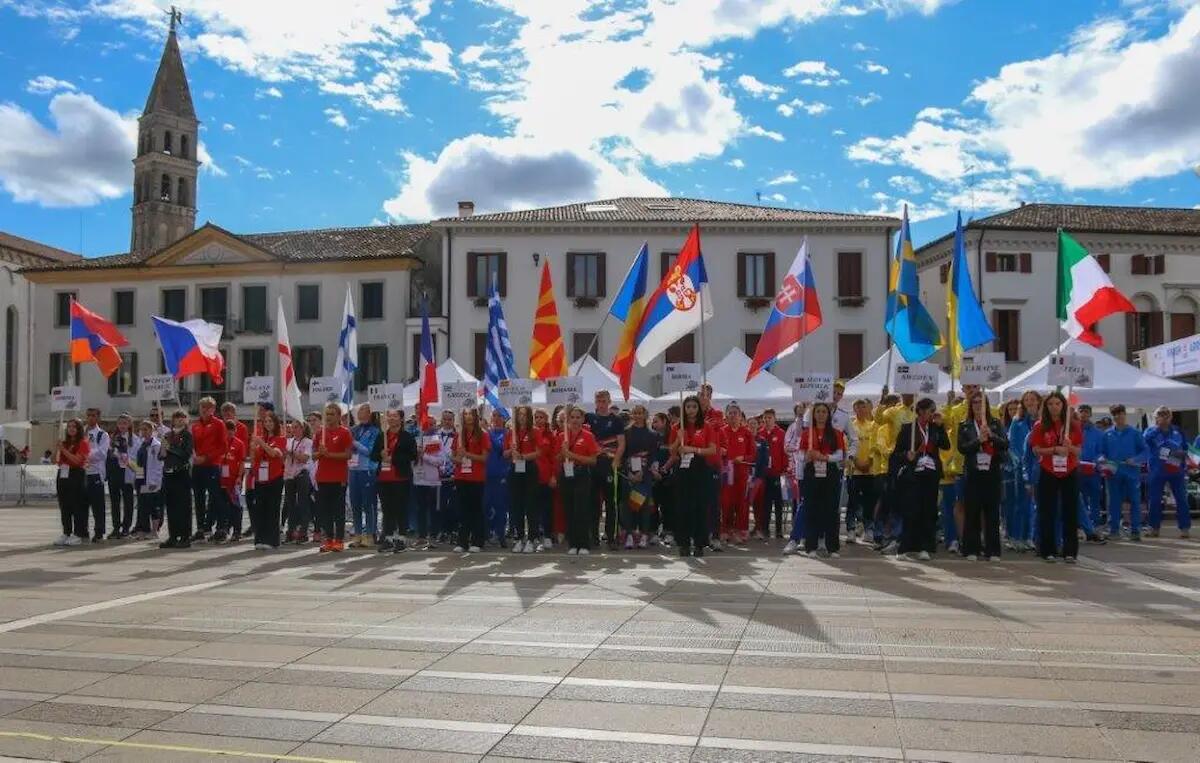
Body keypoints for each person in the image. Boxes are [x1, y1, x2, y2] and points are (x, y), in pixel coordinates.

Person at [891, 398, 948, 560]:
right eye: (931, 410)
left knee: (928, 511)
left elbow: (946, 445)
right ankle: (905, 547)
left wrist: (941, 426)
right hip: (913, 474)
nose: (933, 413)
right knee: (911, 511)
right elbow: (896, 454)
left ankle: (925, 547)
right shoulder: (908, 429)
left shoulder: (935, 428)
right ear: (922, 411)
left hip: (930, 474)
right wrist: (905, 455)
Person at [1030, 391, 1083, 562]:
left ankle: (1070, 551)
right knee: (1047, 511)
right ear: (1046, 406)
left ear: (1063, 405)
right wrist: (1054, 449)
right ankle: (1048, 550)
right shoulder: (1040, 425)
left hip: (1069, 470)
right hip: (1048, 470)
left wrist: (1070, 447)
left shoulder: (1073, 425)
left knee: (1070, 511)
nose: (1054, 407)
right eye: (1051, 404)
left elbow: (1079, 451)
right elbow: (1036, 450)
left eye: (1057, 404)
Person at [958, 392, 1008, 561]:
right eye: (975, 403)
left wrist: (991, 436)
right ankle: (971, 548)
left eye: (981, 402)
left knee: (992, 512)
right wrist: (978, 440)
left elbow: (1005, 444)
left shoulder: (994, 423)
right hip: (973, 472)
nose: (978, 405)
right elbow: (963, 448)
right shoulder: (965, 425)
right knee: (972, 511)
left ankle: (993, 550)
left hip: (992, 472)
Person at [672, 395, 718, 558]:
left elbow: (712, 450)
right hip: (683, 469)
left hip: (700, 468)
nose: (691, 410)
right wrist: (679, 440)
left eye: (694, 406)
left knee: (700, 506)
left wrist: (694, 449)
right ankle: (683, 543)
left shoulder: (706, 427)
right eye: (688, 407)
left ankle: (699, 543)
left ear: (698, 409)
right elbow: (672, 452)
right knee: (683, 507)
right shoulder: (678, 427)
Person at [801, 402, 847, 558]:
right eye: (818, 411)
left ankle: (832, 547)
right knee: (811, 509)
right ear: (813, 414)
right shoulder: (807, 433)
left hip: (830, 473)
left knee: (831, 510)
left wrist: (824, 457)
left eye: (824, 412)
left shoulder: (836, 433)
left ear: (829, 415)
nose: (821, 414)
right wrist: (806, 457)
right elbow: (801, 454)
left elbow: (840, 455)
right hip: (812, 472)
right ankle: (811, 547)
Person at [585, 390, 625, 550]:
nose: (601, 403)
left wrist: (616, 461)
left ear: (609, 401)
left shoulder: (616, 420)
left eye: (603, 400)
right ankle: (593, 536)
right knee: (593, 503)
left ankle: (611, 537)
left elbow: (621, 443)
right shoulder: (589, 417)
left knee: (611, 503)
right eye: (598, 400)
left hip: (609, 465)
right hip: (593, 464)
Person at [1144, 406, 1190, 539]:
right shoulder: (1150, 431)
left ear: (1171, 417)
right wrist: (1158, 427)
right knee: (1155, 499)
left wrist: (1182, 455)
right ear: (1155, 417)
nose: (1164, 417)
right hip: (1157, 470)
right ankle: (1154, 527)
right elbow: (1145, 440)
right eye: (1160, 415)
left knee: (1181, 498)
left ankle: (1184, 528)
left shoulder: (1177, 430)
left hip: (1176, 468)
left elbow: (1186, 447)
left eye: (1166, 415)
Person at [1101, 404, 1146, 540]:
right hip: (1113, 473)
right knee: (1114, 502)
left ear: (1125, 414)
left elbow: (1145, 451)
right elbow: (1101, 453)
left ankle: (1135, 531)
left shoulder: (1135, 433)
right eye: (1115, 414)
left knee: (1135, 501)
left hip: (1131, 473)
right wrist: (1103, 461)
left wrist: (1135, 459)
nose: (1118, 416)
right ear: (1112, 416)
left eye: (1120, 413)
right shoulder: (1107, 434)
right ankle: (1114, 530)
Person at [375, 408, 417, 552]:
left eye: (395, 416)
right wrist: (381, 454)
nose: (391, 418)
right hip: (384, 478)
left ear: (401, 419)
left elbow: (412, 456)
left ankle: (402, 537)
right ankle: (388, 538)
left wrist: (393, 458)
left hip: (400, 477)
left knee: (400, 508)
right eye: (389, 416)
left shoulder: (407, 436)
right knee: (387, 509)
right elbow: (373, 455)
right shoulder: (382, 436)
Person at [560, 405, 600, 555]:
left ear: (583, 419)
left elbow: (593, 460)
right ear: (568, 419)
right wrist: (562, 452)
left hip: (582, 474)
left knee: (581, 509)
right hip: (566, 474)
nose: (575, 420)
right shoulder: (562, 436)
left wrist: (572, 455)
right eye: (572, 417)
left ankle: (584, 544)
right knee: (569, 509)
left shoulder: (588, 436)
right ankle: (573, 543)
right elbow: (558, 457)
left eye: (578, 417)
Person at [314, 402, 353, 553]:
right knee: (325, 511)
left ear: (338, 416)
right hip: (322, 477)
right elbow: (313, 455)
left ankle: (339, 540)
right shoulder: (319, 433)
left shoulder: (344, 432)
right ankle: (328, 539)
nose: (328, 417)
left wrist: (329, 454)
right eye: (327, 414)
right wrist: (320, 453)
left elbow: (348, 454)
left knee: (338, 510)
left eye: (331, 414)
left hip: (338, 477)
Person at [1007, 391, 1041, 552]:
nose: (1030, 402)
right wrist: (1019, 463)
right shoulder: (1017, 421)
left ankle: (1030, 536)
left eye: (1033, 400)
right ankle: (1016, 536)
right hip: (1021, 467)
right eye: (1026, 400)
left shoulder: (1042, 422)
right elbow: (1012, 445)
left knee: (1034, 505)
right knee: (1021, 503)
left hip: (1040, 467)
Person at [623, 404, 661, 549]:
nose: (638, 416)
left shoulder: (653, 434)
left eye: (641, 413)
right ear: (632, 415)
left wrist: (643, 472)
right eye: (635, 413)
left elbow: (653, 456)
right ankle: (630, 535)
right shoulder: (626, 432)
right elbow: (623, 454)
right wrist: (628, 472)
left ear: (645, 415)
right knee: (629, 505)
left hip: (645, 474)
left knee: (645, 505)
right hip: (629, 472)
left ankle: (644, 534)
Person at [190, 397, 227, 542]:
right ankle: (200, 529)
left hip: (212, 466)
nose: (205, 410)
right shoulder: (195, 425)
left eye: (208, 407)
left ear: (213, 409)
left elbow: (223, 446)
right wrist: (194, 456)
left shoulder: (219, 424)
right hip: (198, 466)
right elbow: (192, 444)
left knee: (216, 498)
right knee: (198, 498)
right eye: (202, 407)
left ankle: (221, 528)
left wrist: (206, 458)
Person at [453, 407, 490, 553]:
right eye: (465, 414)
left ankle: (477, 540)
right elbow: (453, 456)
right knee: (462, 510)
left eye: (470, 414)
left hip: (476, 477)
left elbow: (484, 458)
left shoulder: (483, 434)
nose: (468, 417)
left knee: (475, 509)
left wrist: (467, 454)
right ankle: (462, 541)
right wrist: (458, 458)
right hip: (460, 476)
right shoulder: (459, 435)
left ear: (475, 416)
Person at [347, 404, 383, 548]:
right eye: (359, 411)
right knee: (355, 503)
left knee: (369, 504)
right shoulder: (353, 430)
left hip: (367, 469)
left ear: (370, 414)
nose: (360, 413)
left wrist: (354, 442)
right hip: (353, 469)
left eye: (364, 411)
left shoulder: (375, 431)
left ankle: (370, 533)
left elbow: (369, 451)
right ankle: (358, 534)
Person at [248, 411, 286, 549]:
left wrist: (261, 443)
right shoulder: (262, 439)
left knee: (272, 509)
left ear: (275, 424)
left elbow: (273, 453)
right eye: (266, 422)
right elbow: (254, 460)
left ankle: (272, 540)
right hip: (261, 479)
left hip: (274, 478)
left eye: (271, 421)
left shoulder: (280, 438)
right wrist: (253, 449)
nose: (268, 424)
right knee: (260, 509)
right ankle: (260, 539)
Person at [846, 399, 880, 545]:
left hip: (870, 470)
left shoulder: (873, 426)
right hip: (854, 471)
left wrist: (870, 461)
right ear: (854, 409)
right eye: (858, 407)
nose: (861, 409)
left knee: (869, 503)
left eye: (863, 407)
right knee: (852, 502)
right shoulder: (850, 426)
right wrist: (856, 462)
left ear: (868, 409)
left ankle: (869, 530)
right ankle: (851, 530)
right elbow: (847, 446)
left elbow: (876, 445)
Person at [720, 404, 755, 546]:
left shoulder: (746, 433)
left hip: (742, 472)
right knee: (726, 502)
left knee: (742, 502)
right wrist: (722, 453)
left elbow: (753, 454)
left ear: (740, 416)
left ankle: (740, 530)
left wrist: (743, 458)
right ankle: (725, 529)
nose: (733, 416)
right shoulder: (722, 431)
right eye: (731, 413)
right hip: (727, 471)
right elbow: (716, 450)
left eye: (736, 413)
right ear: (726, 416)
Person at [506, 406, 540, 553]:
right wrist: (511, 450)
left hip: (530, 468)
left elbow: (539, 452)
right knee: (516, 505)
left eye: (524, 415)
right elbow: (504, 453)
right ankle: (519, 537)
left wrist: (523, 457)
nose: (521, 417)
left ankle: (532, 539)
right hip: (515, 469)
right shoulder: (511, 432)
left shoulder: (535, 431)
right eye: (519, 414)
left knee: (531, 505)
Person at [160, 410, 194, 549]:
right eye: (177, 418)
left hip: (182, 472)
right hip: (169, 473)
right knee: (171, 506)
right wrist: (162, 449)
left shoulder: (187, 435)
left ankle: (185, 537)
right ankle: (173, 536)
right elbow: (161, 456)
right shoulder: (168, 435)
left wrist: (171, 448)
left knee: (184, 506)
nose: (180, 420)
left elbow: (186, 453)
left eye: (183, 418)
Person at [54, 418, 89, 546]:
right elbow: (56, 460)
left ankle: (78, 533)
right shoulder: (65, 443)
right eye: (69, 427)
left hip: (76, 474)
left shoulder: (83, 443)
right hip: (63, 475)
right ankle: (66, 532)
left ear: (79, 429)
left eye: (74, 427)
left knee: (77, 505)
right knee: (64, 505)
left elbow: (77, 461)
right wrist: (58, 449)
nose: (71, 429)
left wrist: (63, 450)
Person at [754, 409, 787, 540]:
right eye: (765, 418)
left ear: (774, 418)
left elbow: (784, 452)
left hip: (776, 473)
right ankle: (765, 528)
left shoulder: (781, 433)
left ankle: (779, 530)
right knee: (765, 502)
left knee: (778, 502)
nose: (767, 420)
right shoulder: (760, 433)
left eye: (769, 417)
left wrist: (784, 468)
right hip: (763, 474)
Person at [214, 420, 246, 545]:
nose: (229, 433)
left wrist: (239, 476)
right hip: (220, 478)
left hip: (233, 480)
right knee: (221, 506)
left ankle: (237, 531)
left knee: (235, 506)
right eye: (227, 430)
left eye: (231, 430)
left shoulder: (239, 444)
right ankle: (223, 530)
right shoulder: (220, 443)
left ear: (235, 431)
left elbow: (242, 461)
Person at [131, 420, 163, 540]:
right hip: (142, 478)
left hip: (152, 479)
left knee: (153, 505)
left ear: (152, 431)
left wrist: (155, 481)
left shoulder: (157, 445)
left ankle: (155, 530)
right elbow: (139, 463)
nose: (144, 432)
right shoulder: (141, 444)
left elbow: (158, 465)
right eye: (142, 429)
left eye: (146, 429)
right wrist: (137, 478)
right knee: (143, 505)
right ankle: (143, 529)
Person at [283, 420, 314, 544]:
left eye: (297, 427)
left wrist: (292, 453)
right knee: (290, 504)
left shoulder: (307, 442)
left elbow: (305, 458)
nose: (294, 430)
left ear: (303, 428)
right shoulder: (289, 441)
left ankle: (303, 531)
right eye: (293, 427)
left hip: (302, 474)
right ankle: (291, 530)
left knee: (303, 502)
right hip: (289, 474)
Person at [105, 413, 135, 539]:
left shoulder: (135, 439)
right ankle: (116, 527)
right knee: (115, 501)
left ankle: (126, 528)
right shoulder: (113, 439)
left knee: (128, 501)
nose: (122, 426)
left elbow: (137, 459)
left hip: (128, 472)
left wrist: (127, 461)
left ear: (129, 425)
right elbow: (108, 456)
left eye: (125, 423)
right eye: (120, 423)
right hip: (114, 472)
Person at [83, 407, 110, 542]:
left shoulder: (102, 435)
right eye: (88, 415)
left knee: (97, 505)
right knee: (82, 505)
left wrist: (85, 455)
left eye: (93, 416)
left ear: (98, 417)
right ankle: (82, 531)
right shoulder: (81, 432)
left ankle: (99, 531)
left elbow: (101, 453)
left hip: (95, 473)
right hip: (81, 473)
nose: (90, 418)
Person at [484, 409, 510, 547]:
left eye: (500, 416)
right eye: (494, 415)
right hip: (486, 474)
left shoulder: (508, 434)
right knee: (486, 505)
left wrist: (488, 434)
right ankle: (487, 533)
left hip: (501, 475)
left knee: (500, 507)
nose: (497, 418)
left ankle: (500, 534)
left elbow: (501, 448)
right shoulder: (486, 433)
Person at [532, 408, 557, 551]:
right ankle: (534, 536)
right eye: (536, 417)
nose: (538, 419)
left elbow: (553, 457)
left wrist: (553, 476)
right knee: (532, 509)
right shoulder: (529, 434)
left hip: (545, 476)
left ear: (546, 419)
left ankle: (547, 536)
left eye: (541, 417)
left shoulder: (550, 435)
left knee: (546, 508)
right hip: (531, 477)